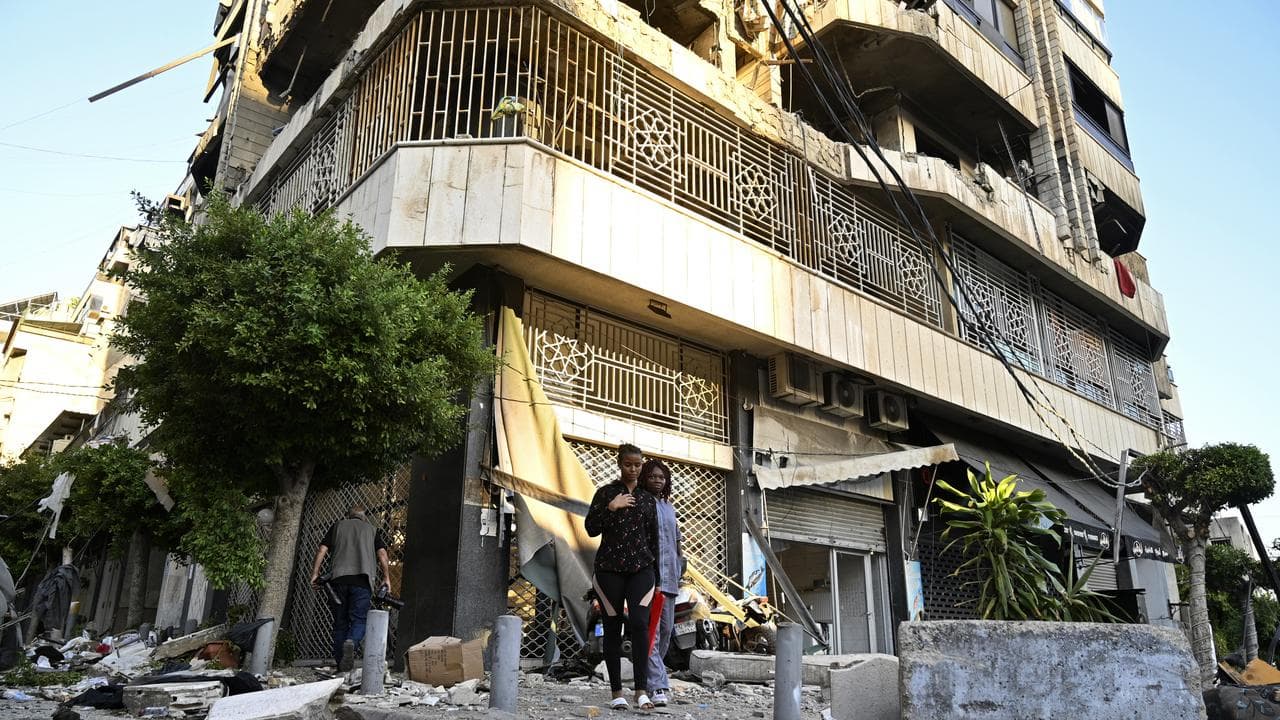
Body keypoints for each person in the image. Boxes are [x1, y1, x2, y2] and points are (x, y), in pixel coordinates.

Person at [585, 443, 659, 711]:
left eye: (638, 465)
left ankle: (641, 691)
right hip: (609, 570)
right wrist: (611, 507)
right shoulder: (605, 493)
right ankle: (617, 692)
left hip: (642, 569)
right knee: (613, 627)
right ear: (619, 464)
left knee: (640, 624)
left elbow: (654, 539)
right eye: (628, 464)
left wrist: (658, 576)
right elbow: (590, 528)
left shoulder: (648, 498)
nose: (633, 469)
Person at [309, 505, 392, 671]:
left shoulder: (338, 526)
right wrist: (386, 578)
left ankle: (342, 665)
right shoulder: (372, 530)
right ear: (364, 517)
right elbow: (382, 555)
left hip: (337, 580)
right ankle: (352, 642)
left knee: (340, 622)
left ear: (347, 516)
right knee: (359, 619)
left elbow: (321, 550)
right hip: (362, 581)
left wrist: (315, 573)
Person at [641, 458, 681, 708]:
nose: (658, 480)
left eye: (662, 477)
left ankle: (648, 677)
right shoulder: (641, 503)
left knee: (666, 632)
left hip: (671, 578)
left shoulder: (669, 507)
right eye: (653, 476)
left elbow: (677, 538)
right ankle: (658, 686)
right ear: (645, 478)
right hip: (649, 579)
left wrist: (680, 563)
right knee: (652, 634)